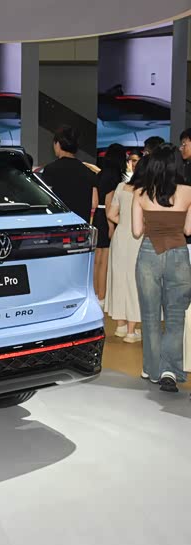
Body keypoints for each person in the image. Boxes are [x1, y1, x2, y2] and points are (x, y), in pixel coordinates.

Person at [131, 144, 191, 392]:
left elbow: (136, 231)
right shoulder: (188, 192)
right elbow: (188, 230)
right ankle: (170, 370)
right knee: (176, 315)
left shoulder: (140, 192)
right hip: (179, 254)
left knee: (150, 315)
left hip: (149, 253)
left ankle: (152, 369)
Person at [105, 155, 146, 343]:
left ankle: (120, 326)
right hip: (139, 238)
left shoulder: (121, 187)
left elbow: (111, 214)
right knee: (135, 280)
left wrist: (124, 222)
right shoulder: (148, 191)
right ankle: (131, 331)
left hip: (120, 236)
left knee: (119, 278)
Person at [40, 126, 99, 224]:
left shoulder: (51, 169)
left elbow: (45, 199)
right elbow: (94, 203)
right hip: (80, 224)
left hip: (58, 223)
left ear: (57, 144)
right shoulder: (87, 171)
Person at [94, 143, 128, 306]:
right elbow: (110, 203)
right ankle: (102, 296)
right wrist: (112, 227)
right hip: (106, 218)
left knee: (96, 260)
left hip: (97, 217)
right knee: (105, 260)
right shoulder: (114, 176)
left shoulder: (100, 174)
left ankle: (95, 294)